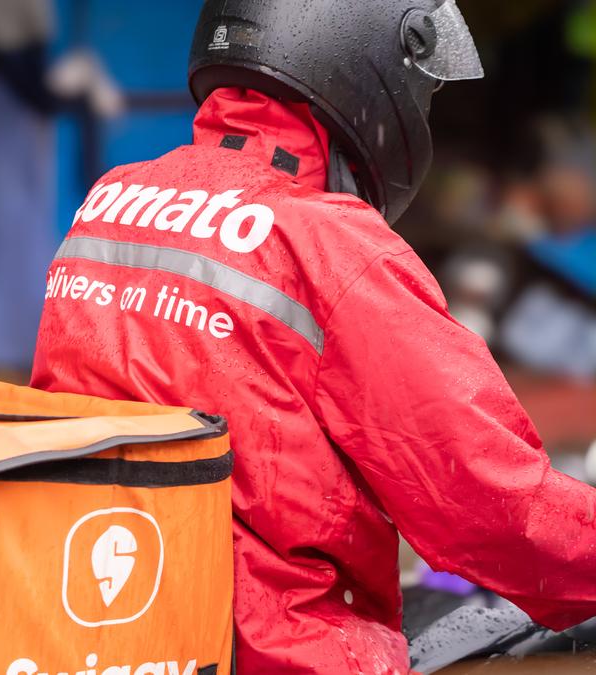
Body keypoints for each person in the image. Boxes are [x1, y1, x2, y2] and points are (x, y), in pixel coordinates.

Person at [30, 1, 596, 672]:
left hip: (95, 624)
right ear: (365, 74)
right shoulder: (334, 246)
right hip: (273, 645)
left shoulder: (111, 201)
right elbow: (489, 504)